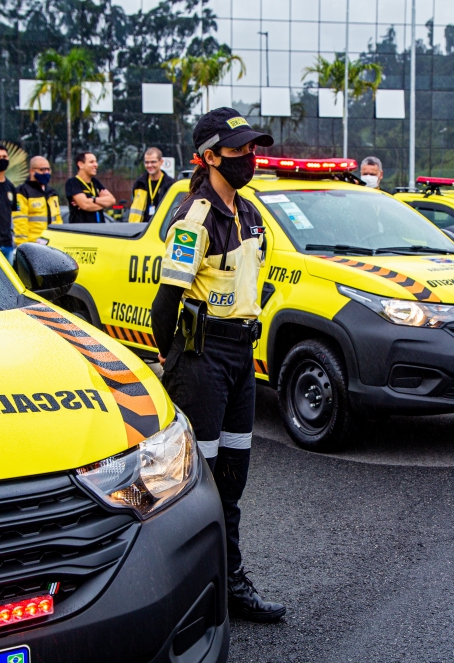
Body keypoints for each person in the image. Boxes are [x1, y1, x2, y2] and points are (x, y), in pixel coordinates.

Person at [150, 107, 284, 623]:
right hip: (202, 360)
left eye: (254, 149)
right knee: (195, 483)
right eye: (240, 151)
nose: (251, 158)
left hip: (240, 359)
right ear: (208, 158)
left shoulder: (248, 213)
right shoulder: (195, 217)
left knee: (232, 479)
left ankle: (229, 583)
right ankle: (189, 593)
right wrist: (172, 357)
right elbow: (167, 303)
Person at [14, 155, 63, 244]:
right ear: (32, 171)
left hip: (53, 242)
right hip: (33, 244)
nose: (46, 172)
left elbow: (58, 218)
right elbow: (20, 221)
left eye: (48, 169)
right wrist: (22, 246)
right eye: (42, 170)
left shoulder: (51, 192)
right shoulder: (22, 192)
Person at [65, 152, 115, 223]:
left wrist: (92, 200)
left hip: (100, 230)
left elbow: (112, 200)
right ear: (81, 165)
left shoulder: (95, 182)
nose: (96, 165)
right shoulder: (72, 182)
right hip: (82, 230)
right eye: (91, 162)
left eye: (96, 162)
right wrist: (103, 203)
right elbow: (85, 205)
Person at [129, 147, 175, 223]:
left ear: (161, 162)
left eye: (153, 162)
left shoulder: (170, 183)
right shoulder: (139, 183)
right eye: (147, 162)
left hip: (160, 229)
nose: (149, 165)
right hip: (140, 229)